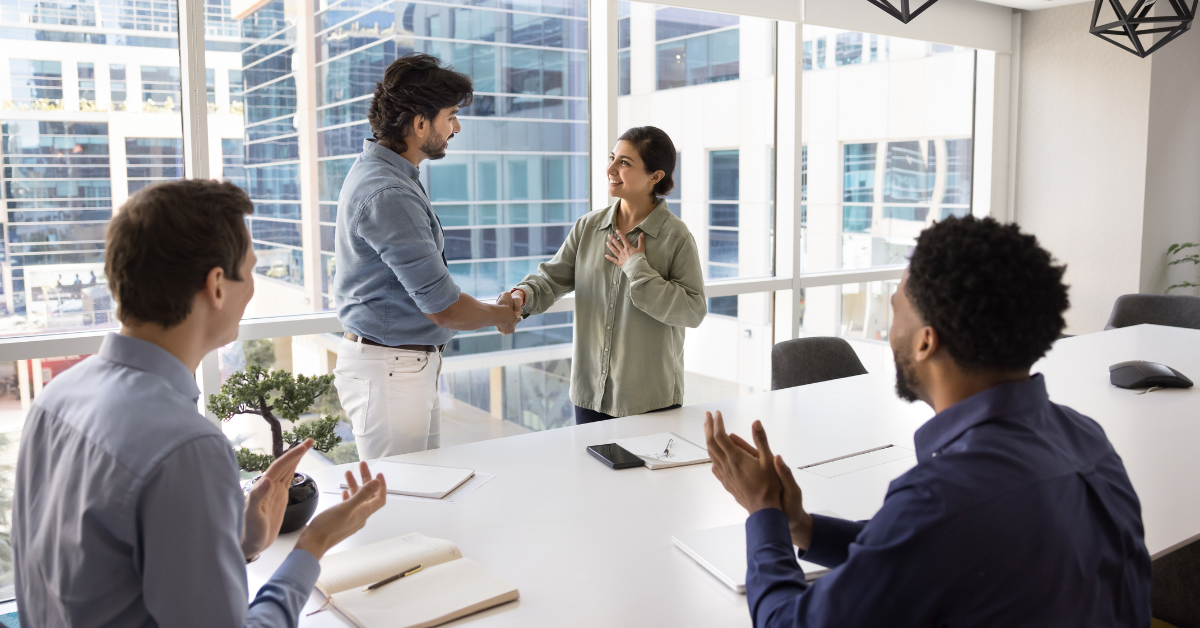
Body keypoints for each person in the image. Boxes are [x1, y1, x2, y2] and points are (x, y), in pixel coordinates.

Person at [704, 216, 1151, 626]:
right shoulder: (1084, 437)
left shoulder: (945, 499)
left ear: (925, 342)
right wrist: (802, 526)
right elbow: (917, 548)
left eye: (895, 309)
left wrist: (763, 511)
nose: (889, 326)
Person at [13, 179, 390, 627]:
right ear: (216, 285)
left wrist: (241, 539)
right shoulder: (185, 447)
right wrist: (314, 544)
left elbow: (105, 575)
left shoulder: (55, 399)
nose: (252, 288)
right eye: (249, 271)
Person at [333, 53, 520, 460]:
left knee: (418, 494)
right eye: (450, 116)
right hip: (391, 369)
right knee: (396, 501)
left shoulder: (387, 174)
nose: (456, 127)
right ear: (420, 123)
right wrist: (499, 315)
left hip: (401, 365)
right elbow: (445, 310)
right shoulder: (390, 193)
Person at [506, 126, 706, 424]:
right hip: (589, 394)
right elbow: (551, 280)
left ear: (656, 176)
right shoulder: (589, 226)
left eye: (624, 163)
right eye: (613, 158)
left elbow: (692, 311)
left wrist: (637, 268)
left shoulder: (676, 237)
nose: (610, 169)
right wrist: (521, 295)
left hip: (648, 398)